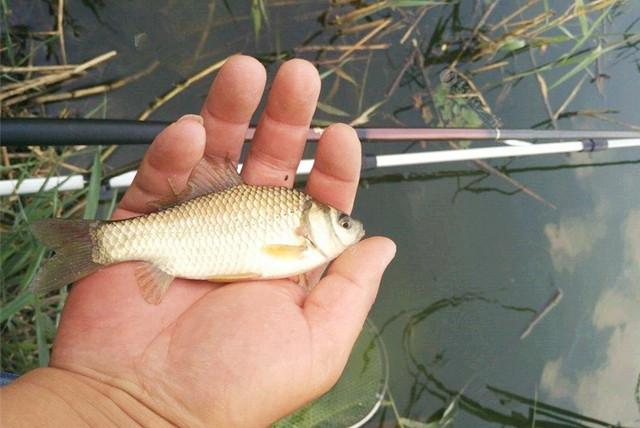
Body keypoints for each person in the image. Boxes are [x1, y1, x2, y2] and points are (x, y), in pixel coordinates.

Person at [0, 56, 396, 427]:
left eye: (345, 224)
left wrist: (111, 406)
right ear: (317, 223)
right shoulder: (300, 247)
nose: (352, 229)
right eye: (343, 224)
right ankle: (96, 244)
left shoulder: (300, 235)